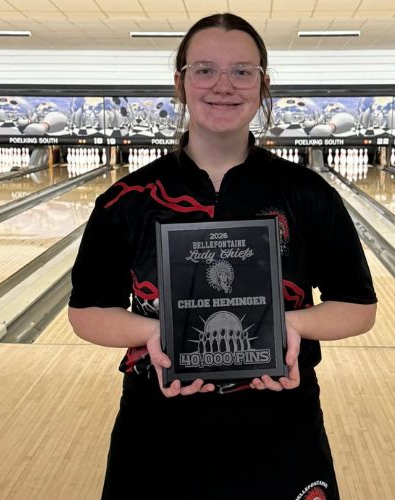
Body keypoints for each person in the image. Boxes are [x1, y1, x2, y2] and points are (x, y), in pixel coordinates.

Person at [69, 12, 377, 500]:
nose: (223, 85)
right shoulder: (127, 199)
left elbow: (359, 307)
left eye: (242, 71)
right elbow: (86, 311)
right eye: (205, 70)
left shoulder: (308, 194)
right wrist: (153, 334)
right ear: (180, 83)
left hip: (281, 424)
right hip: (157, 426)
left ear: (263, 84)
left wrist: (288, 327)